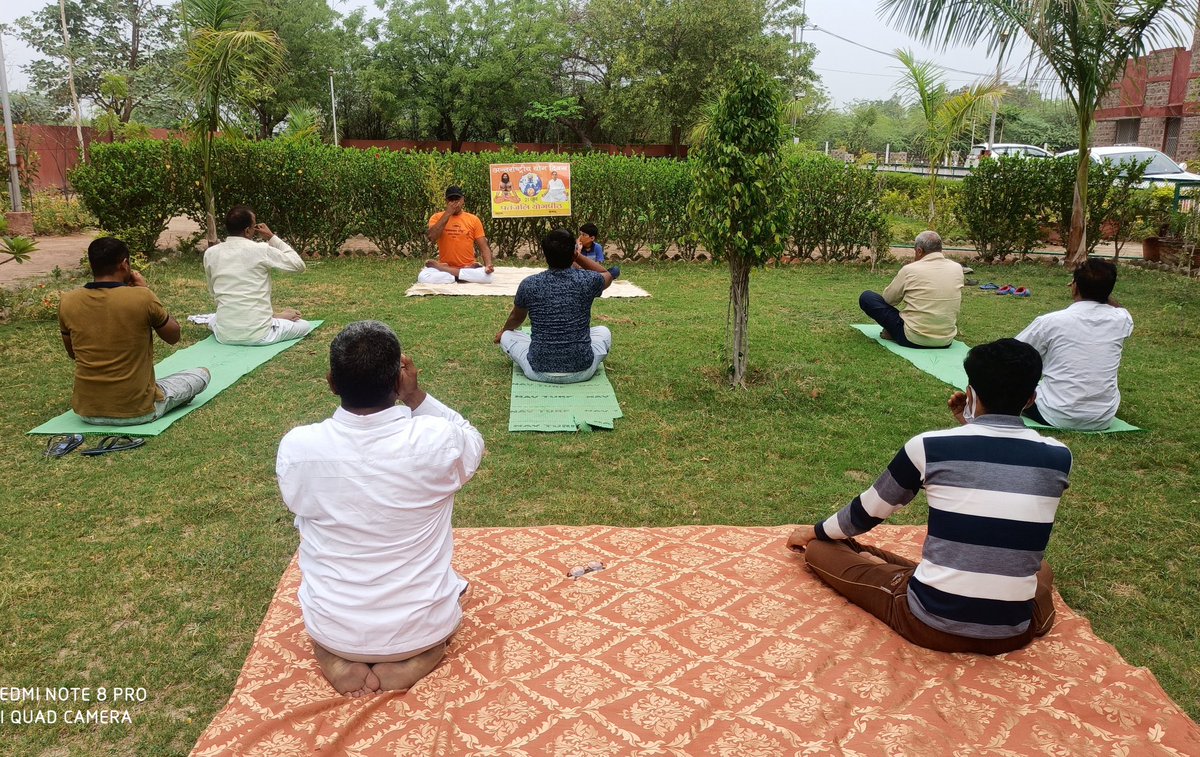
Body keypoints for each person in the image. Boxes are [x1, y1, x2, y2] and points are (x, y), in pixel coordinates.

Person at [787, 339, 1072, 655]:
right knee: (1041, 569)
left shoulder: (929, 447)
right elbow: (1001, 470)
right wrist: (970, 426)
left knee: (820, 549)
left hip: (929, 622)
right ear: (1031, 399)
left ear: (971, 393)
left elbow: (866, 513)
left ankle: (915, 578)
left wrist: (813, 531)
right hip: (1014, 629)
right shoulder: (1059, 456)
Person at [276, 321, 484, 697]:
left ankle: (333, 655)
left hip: (332, 627)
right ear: (398, 380)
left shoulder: (298, 446)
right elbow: (472, 439)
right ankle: (419, 655)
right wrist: (416, 396)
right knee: (439, 624)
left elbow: (298, 503)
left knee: (328, 623)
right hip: (422, 629)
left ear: (332, 383)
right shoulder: (437, 439)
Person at [58, 237, 210, 425]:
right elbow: (173, 336)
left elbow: (73, 353)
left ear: (92, 265)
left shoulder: (68, 301)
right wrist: (146, 290)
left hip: (88, 412)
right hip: (139, 411)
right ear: (124, 264)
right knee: (201, 374)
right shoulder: (142, 297)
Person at [1016, 258, 1133, 431]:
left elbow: (1012, 354)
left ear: (1075, 287)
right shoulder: (1121, 319)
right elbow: (1120, 309)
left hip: (1053, 414)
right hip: (1102, 417)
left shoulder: (1050, 322)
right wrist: (1101, 290)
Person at [495, 228, 618, 384]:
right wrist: (577, 255)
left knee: (507, 335)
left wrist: (503, 332)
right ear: (574, 253)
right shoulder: (587, 280)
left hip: (538, 370)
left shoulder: (529, 284)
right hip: (582, 371)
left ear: (545, 255)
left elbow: (516, 318)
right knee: (603, 332)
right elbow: (607, 274)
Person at [203, 205, 314, 345]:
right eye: (254, 226)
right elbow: (298, 265)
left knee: (216, 317)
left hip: (224, 335)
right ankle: (273, 319)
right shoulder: (261, 250)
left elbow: (214, 293)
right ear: (247, 230)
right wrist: (271, 237)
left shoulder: (211, 253)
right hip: (260, 335)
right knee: (304, 325)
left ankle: (274, 317)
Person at [859, 231, 963, 348]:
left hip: (912, 339)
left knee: (867, 297)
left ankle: (893, 333)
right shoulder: (957, 268)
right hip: (946, 340)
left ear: (919, 251)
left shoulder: (910, 269)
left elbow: (888, 300)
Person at [421, 186, 495, 284]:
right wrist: (448, 213)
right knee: (423, 277)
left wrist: (488, 265)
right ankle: (460, 276)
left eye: (457, 199)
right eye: (451, 199)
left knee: (488, 278)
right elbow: (432, 237)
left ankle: (448, 272)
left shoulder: (473, 219)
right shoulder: (436, 217)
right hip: (448, 265)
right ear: (446, 201)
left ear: (463, 200)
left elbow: (484, 247)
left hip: (467, 267)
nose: (455, 202)